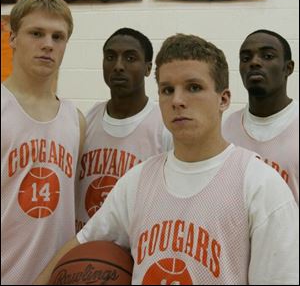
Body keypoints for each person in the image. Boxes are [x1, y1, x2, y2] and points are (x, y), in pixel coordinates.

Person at [34, 34, 299, 285]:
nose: (178, 101)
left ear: (224, 99)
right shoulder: (137, 180)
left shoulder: (261, 184)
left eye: (194, 87)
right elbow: (82, 243)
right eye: (167, 90)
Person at [1, 0, 86, 285]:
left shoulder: (76, 120)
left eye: (58, 37)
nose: (48, 44)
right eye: (36, 33)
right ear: (12, 38)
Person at [75, 27, 172, 232]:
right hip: (83, 248)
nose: (118, 66)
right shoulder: (88, 119)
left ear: (147, 69)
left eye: (130, 58)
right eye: (110, 57)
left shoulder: (164, 126)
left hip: (133, 250)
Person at [222, 30, 299, 204]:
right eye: (245, 58)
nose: (254, 62)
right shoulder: (227, 128)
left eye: (267, 56)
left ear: (288, 68)